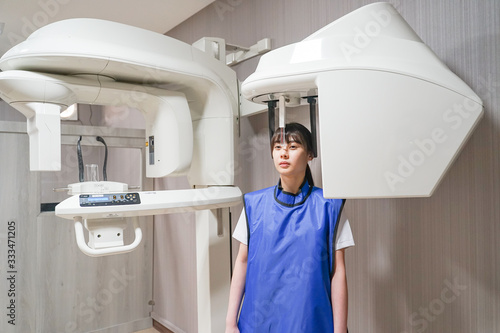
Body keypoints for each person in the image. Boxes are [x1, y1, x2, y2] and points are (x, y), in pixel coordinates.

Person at [225, 122, 354, 333]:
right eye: (278, 147)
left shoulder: (329, 205)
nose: (284, 153)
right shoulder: (254, 205)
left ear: (310, 155)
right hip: (259, 321)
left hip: (309, 320)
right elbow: (242, 261)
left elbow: (338, 272)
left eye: (293, 147)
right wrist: (230, 323)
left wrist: (339, 330)